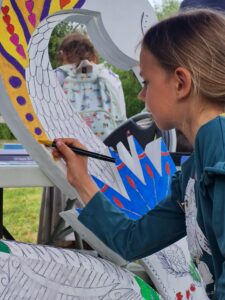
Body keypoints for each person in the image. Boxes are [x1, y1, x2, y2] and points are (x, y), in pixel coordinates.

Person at [51, 9, 225, 299]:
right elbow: (132, 241)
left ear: (180, 82)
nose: (141, 96)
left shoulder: (218, 144)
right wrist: (81, 178)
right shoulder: (195, 167)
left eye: (146, 82)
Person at [37, 32, 126, 246]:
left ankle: (60, 246)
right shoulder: (111, 78)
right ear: (93, 54)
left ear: (63, 54)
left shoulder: (55, 77)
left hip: (64, 160)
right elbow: (121, 119)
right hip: (105, 166)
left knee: (61, 209)